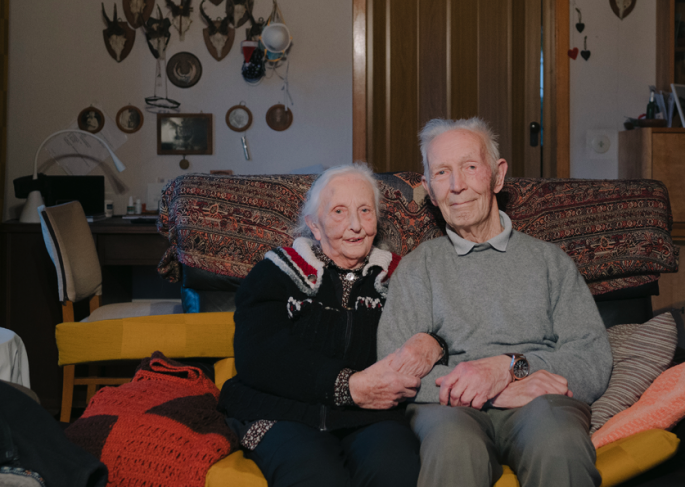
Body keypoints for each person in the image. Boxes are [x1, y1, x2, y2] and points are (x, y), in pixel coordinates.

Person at [376, 118, 612, 487]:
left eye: (470, 167)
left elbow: (592, 358)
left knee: (559, 444)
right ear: (429, 191)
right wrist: (482, 388)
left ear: (497, 176)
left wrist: (511, 368)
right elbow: (391, 369)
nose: (457, 186)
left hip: (538, 401)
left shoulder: (550, 262)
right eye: (442, 173)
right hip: (450, 409)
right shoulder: (418, 267)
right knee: (453, 447)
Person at [218, 163, 424, 487]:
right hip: (282, 412)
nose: (355, 225)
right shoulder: (276, 273)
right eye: (339, 211)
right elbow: (258, 355)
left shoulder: (400, 278)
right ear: (315, 226)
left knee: (394, 470)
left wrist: (432, 341)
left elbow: (438, 328)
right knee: (316, 477)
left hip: (372, 415)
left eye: (365, 210)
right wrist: (346, 385)